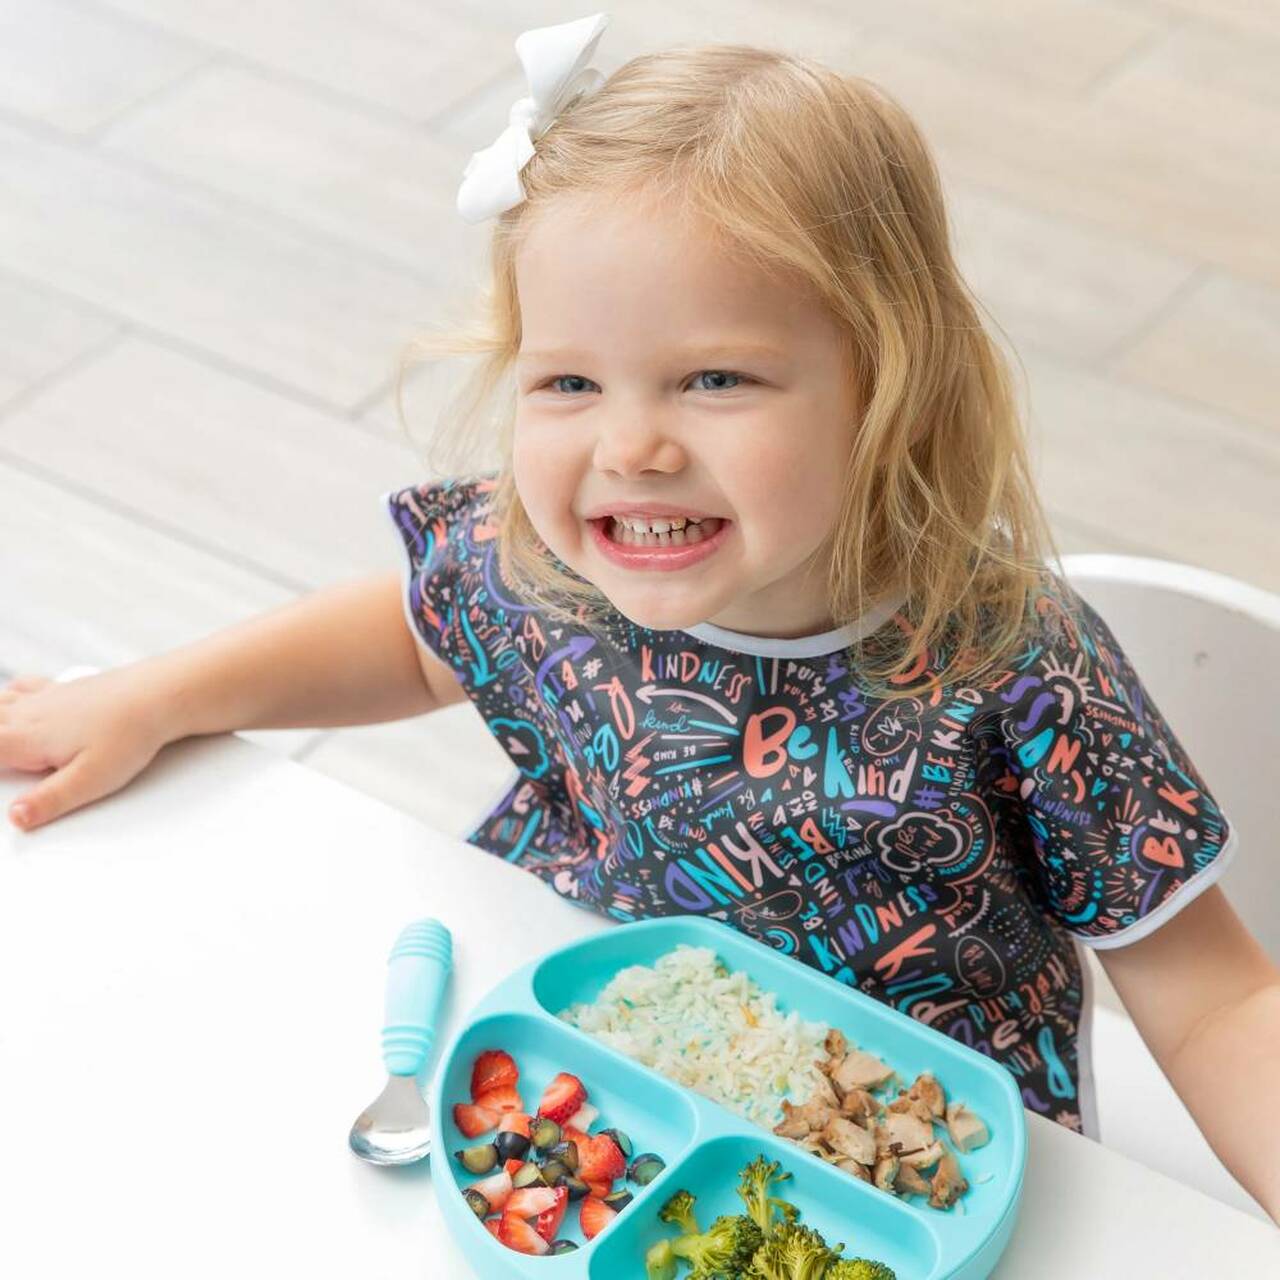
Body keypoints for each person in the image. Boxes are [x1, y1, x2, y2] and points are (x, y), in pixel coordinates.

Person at [3, 12, 1278, 1219]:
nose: (629, 447)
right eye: (567, 381)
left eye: (712, 378)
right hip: (585, 1078)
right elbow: (411, 634)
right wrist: (152, 694)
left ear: (894, 385)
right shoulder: (554, 566)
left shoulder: (1018, 665)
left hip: (903, 1164)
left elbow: (1215, 1002)